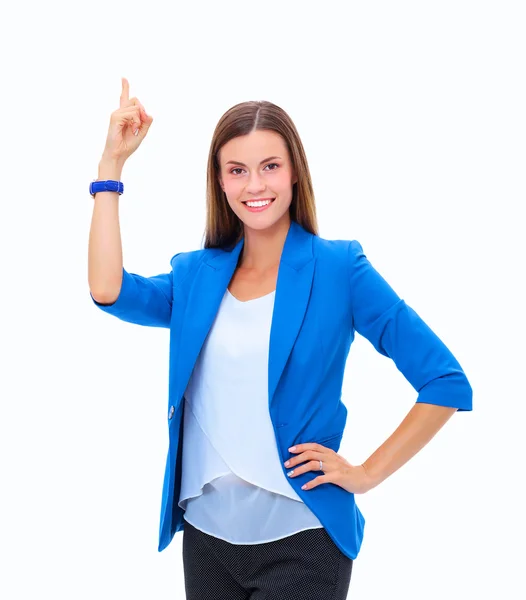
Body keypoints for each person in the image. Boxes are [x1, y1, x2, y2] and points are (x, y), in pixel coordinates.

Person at [88, 78, 473, 599]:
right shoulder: (196, 276)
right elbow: (108, 289)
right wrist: (111, 167)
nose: (255, 185)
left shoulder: (339, 269)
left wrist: (365, 474)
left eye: (270, 166)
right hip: (207, 540)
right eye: (237, 170)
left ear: (294, 173)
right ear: (220, 183)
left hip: (304, 541)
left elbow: (444, 381)